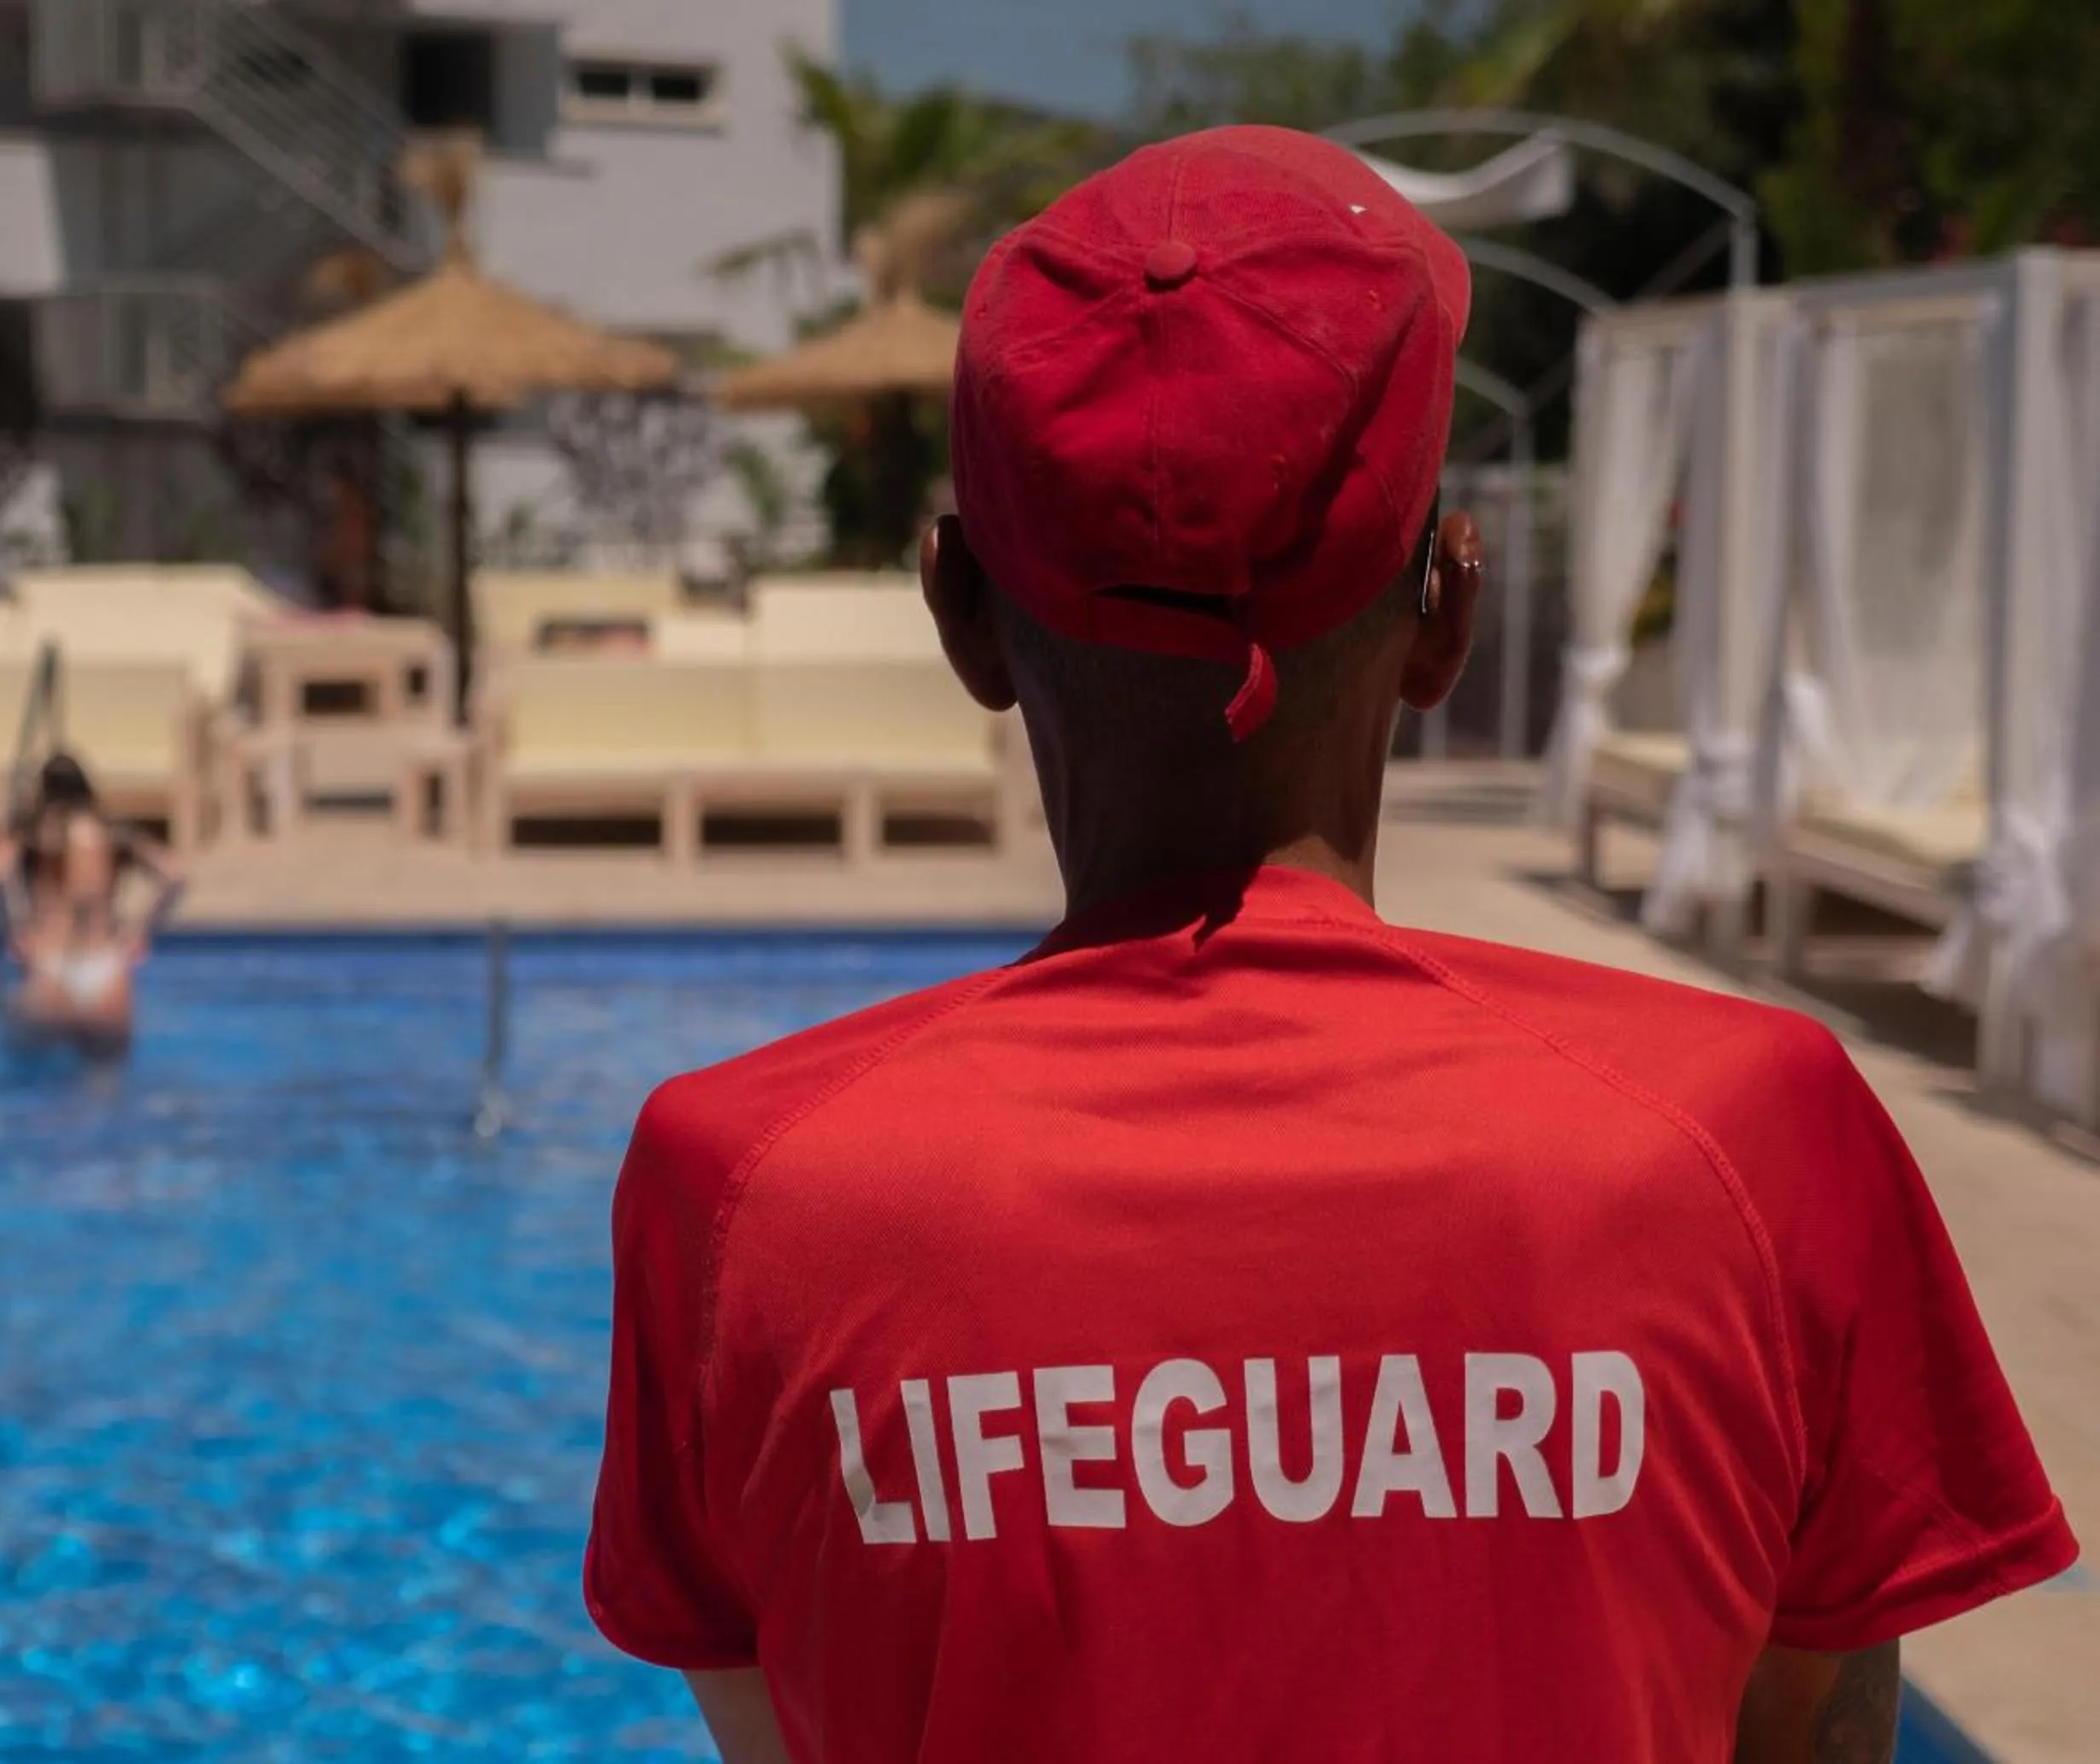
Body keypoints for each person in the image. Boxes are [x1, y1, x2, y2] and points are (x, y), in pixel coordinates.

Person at [586, 128, 2075, 1764]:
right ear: (1450, 611)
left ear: (960, 613)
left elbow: (788, 1732)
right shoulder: (1752, 1137)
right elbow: (1810, 1729)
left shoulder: (744, 1192)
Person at [0, 752, 185, 1056]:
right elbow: (176, 875)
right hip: (108, 968)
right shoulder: (114, 830)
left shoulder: (31, 831)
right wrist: (141, 930)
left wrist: (16, 926)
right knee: (104, 1079)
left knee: (30, 1073)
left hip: (50, 963)